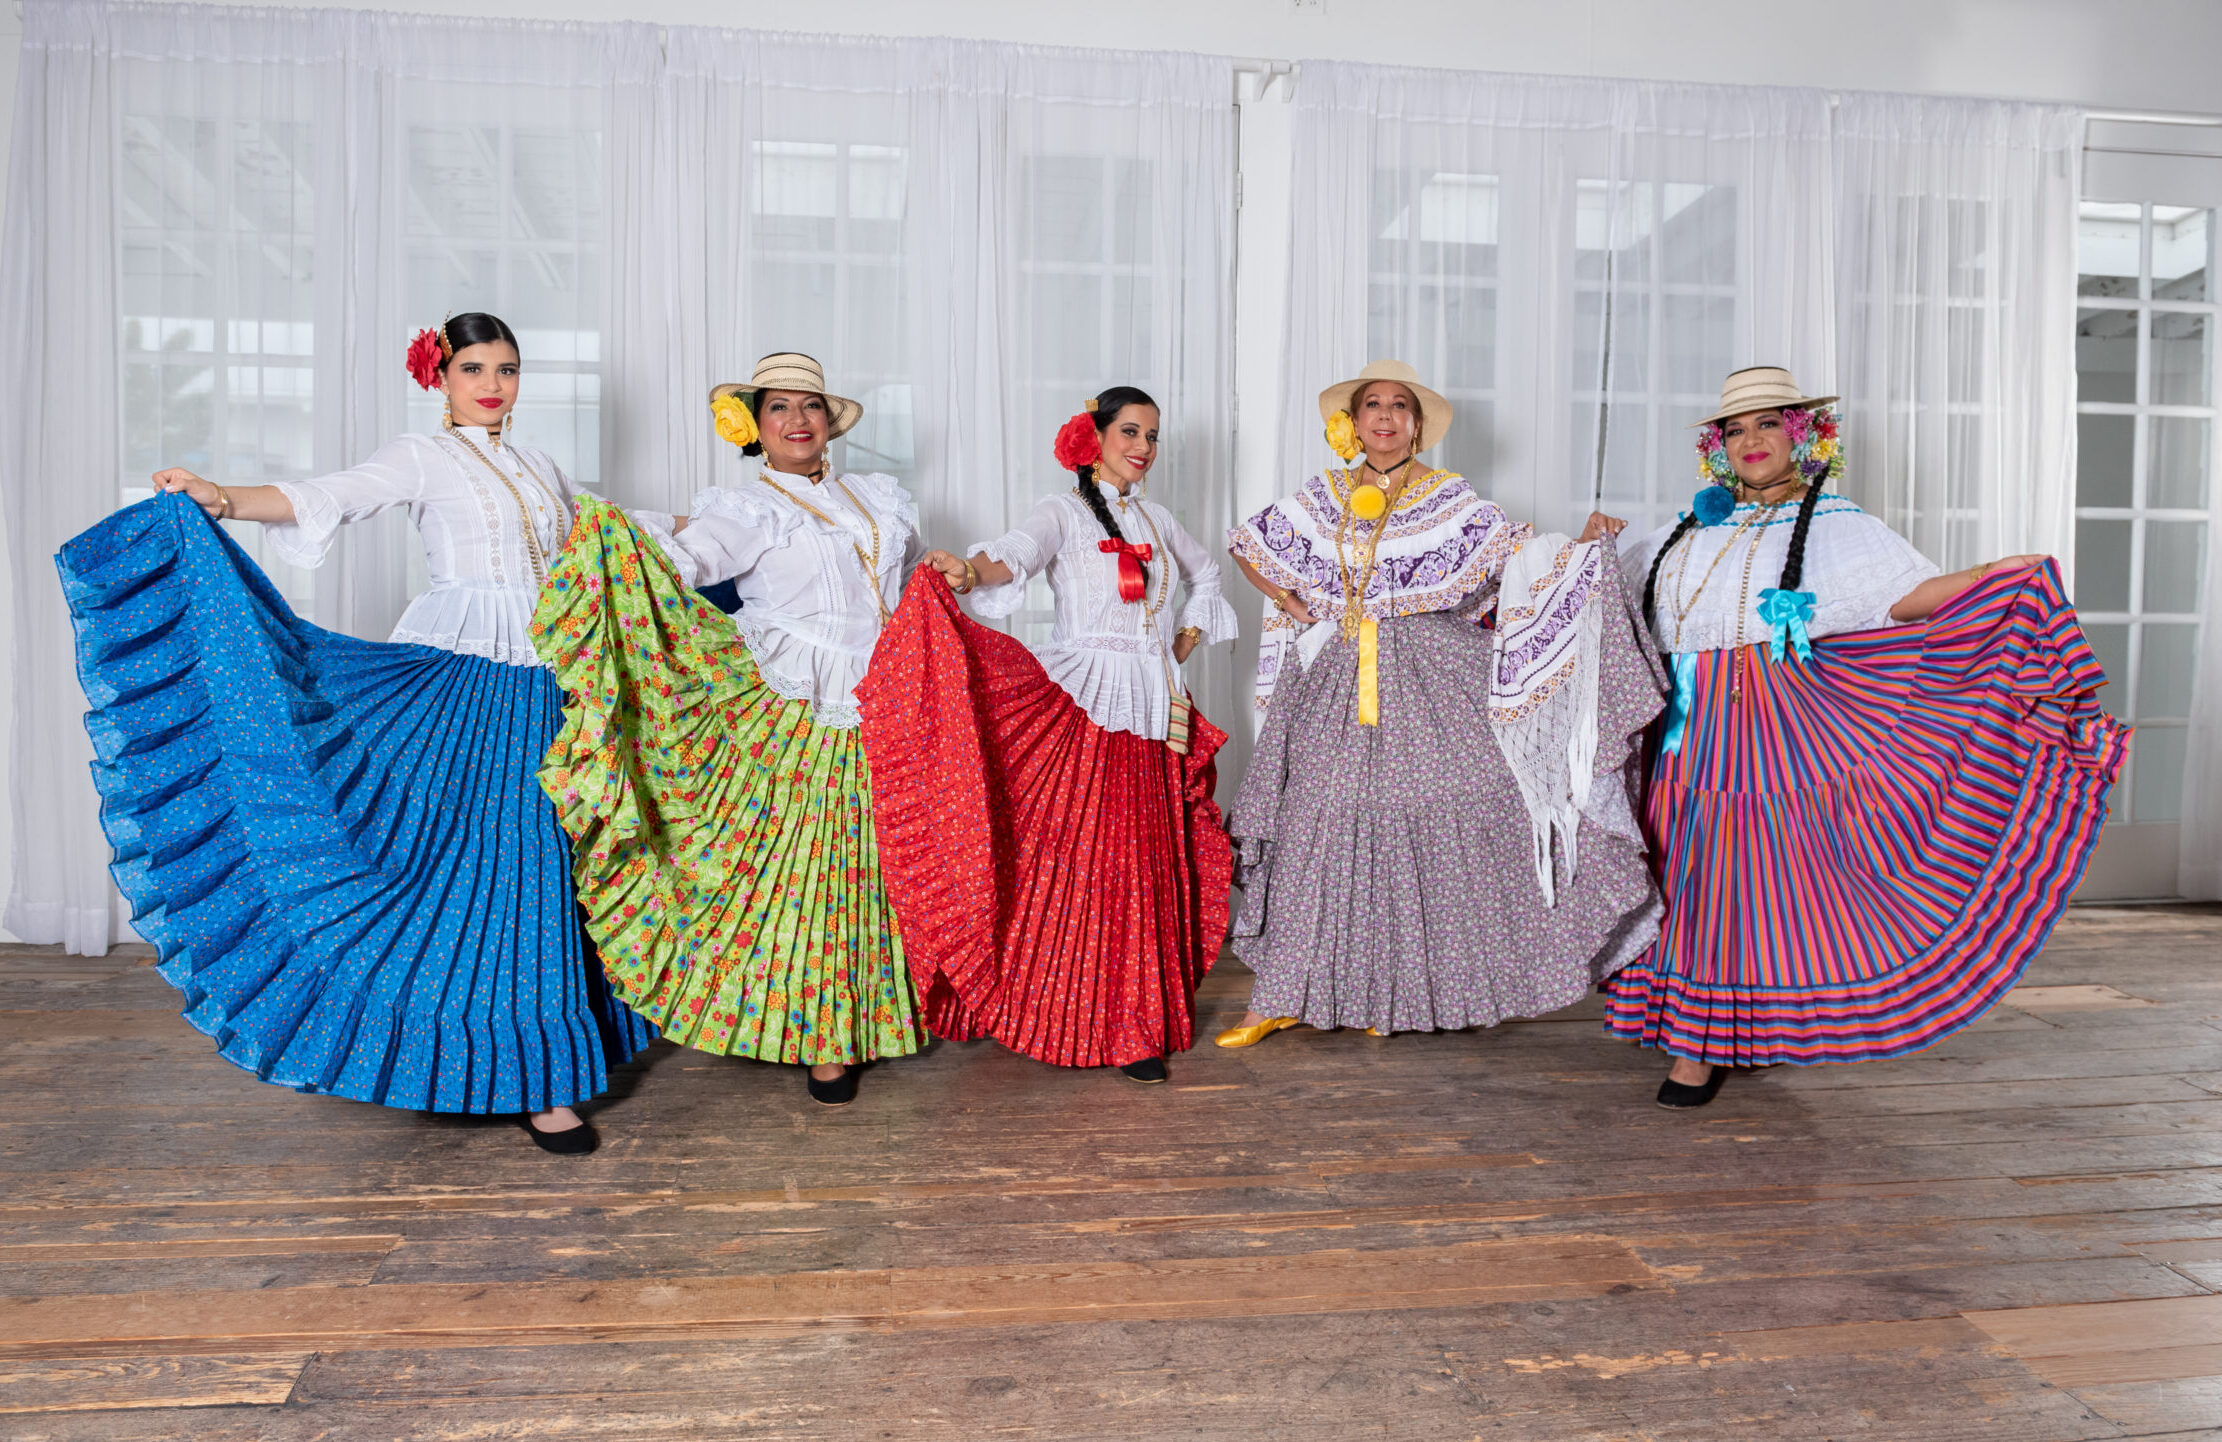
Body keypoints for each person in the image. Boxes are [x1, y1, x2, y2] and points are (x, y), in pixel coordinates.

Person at [59, 311, 657, 1154]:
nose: (492, 385)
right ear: (439, 377)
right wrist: (221, 499)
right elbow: (327, 497)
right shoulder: (423, 455)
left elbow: (603, 549)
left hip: (552, 677)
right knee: (455, 869)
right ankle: (459, 1062)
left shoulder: (542, 466)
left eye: (508, 370)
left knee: (540, 866)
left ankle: (538, 1075)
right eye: (474, 368)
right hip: (458, 675)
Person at [1605, 366, 2128, 1107]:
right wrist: (1580, 557)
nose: (1751, 440)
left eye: (1768, 425)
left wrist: (1995, 572)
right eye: (1736, 429)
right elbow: (1614, 608)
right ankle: (1719, 1028)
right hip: (1685, 732)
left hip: (1778, 730)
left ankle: (1701, 1047)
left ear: (1801, 436)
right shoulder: (1683, 531)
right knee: (1684, 873)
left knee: (1755, 883)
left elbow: (1901, 599)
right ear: (1718, 447)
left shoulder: (1836, 523)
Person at [1218, 359, 1665, 1047]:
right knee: (1314, 816)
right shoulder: (1323, 495)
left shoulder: (1452, 501)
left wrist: (1585, 542)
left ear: (1417, 425)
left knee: (1434, 815)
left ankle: (1385, 993)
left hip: (1431, 671)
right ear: (1354, 421)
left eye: (1401, 406)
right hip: (1339, 674)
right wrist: (1283, 596)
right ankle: (1276, 995)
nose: (1387, 417)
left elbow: (1523, 562)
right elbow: (1249, 545)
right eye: (1373, 405)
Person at [532, 353, 924, 1106]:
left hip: (884, 696)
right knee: (801, 875)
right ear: (756, 427)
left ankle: (856, 1021)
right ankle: (816, 1038)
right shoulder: (747, 510)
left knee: (864, 867)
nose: (798, 421)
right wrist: (617, 530)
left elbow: (898, 596)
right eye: (779, 409)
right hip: (789, 703)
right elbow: (685, 561)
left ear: (827, 421)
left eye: (810, 406)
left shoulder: (879, 499)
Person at [861, 386, 1238, 1084]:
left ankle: (1135, 1025)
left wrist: (1184, 638)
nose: (1144, 448)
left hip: (1153, 706)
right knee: (1078, 863)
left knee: (1143, 863)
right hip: (1086, 701)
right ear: (1092, 438)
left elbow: (1206, 573)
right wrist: (971, 572)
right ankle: (1060, 1006)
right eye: (1130, 431)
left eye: (1153, 436)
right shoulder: (1062, 511)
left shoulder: (1155, 517)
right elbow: (1015, 555)